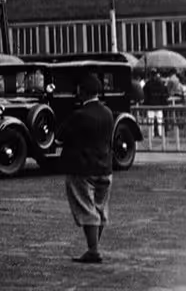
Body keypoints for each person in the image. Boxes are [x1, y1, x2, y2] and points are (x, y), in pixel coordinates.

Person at [57, 73, 115, 264]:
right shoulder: (108, 113)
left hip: (81, 168)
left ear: (82, 92)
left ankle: (93, 251)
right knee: (99, 208)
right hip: (105, 167)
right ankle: (93, 247)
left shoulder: (79, 115)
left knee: (86, 208)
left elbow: (60, 137)